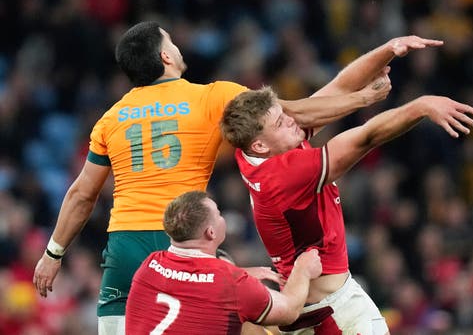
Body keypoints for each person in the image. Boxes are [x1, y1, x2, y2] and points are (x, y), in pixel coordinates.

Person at [32, 19, 442, 334]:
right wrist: (365, 99)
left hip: (125, 247)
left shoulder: (111, 118)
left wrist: (53, 254)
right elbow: (300, 113)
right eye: (171, 41)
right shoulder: (212, 96)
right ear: (166, 59)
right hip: (184, 241)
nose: (177, 45)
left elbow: (82, 195)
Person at [220, 86, 473, 334]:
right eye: (279, 122)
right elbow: (367, 137)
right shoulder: (285, 173)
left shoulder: (252, 154)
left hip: (309, 309)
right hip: (336, 311)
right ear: (260, 145)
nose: (292, 119)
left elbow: (333, 91)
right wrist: (420, 107)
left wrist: (387, 52)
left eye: (284, 114)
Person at [125, 190, 322, 334]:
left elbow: (188, 285)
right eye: (218, 213)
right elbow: (289, 310)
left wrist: (243, 274)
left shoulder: (150, 265)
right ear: (210, 232)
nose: (222, 217)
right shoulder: (231, 282)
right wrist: (303, 269)